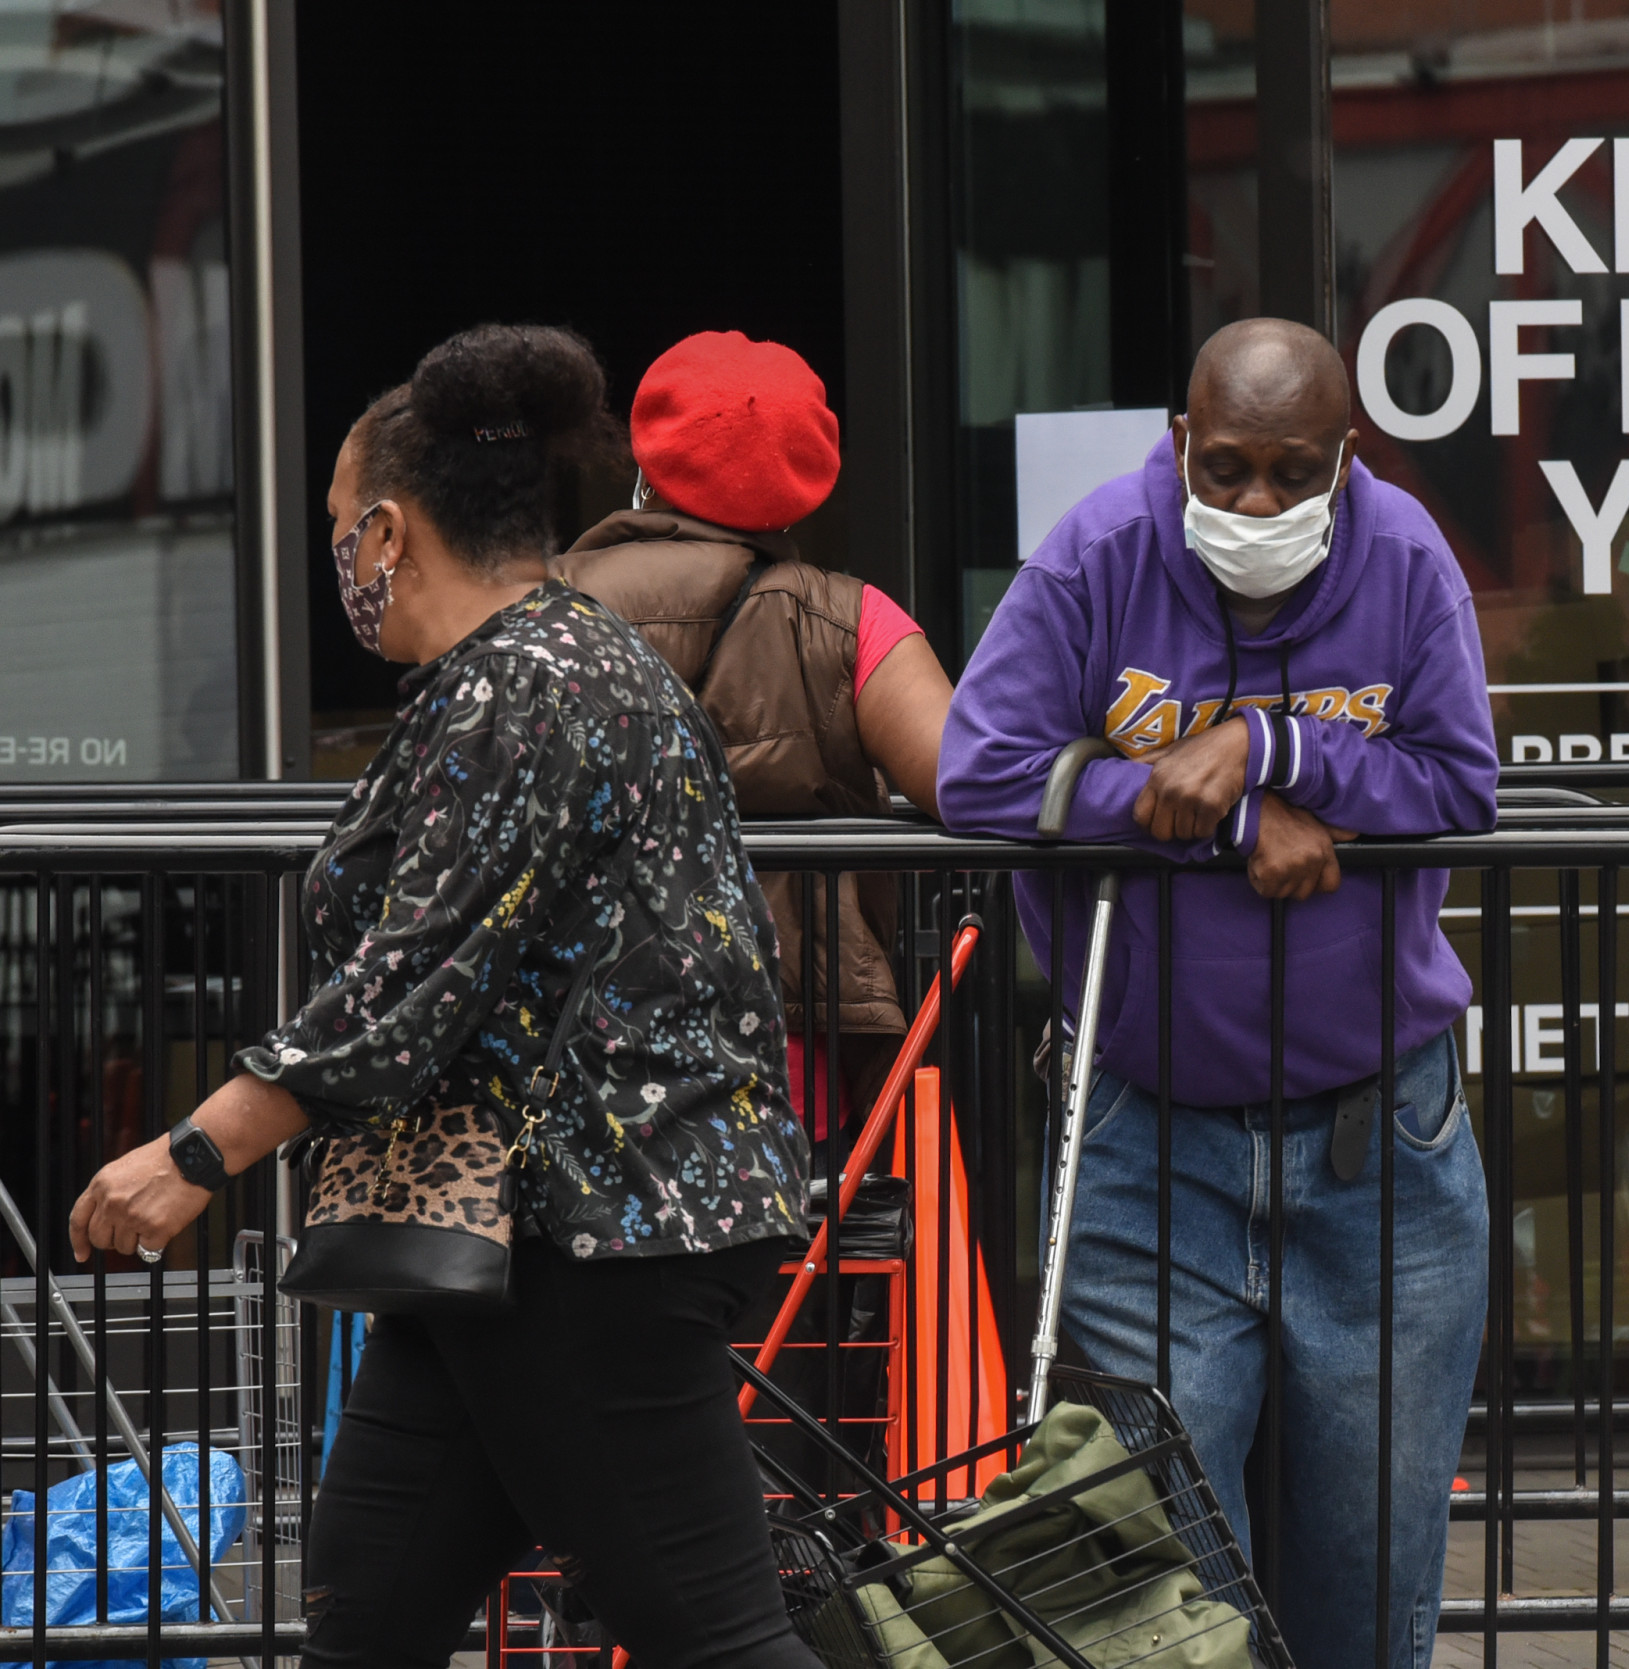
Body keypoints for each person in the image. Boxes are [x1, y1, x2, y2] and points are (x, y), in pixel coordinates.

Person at [66, 324, 821, 1669]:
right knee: (370, 1618)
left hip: (594, 1235)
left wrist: (193, 1155)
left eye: (344, 524)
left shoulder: (526, 686)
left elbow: (407, 983)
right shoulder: (550, 665)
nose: (341, 553)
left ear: (391, 531)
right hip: (507, 1233)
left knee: (716, 1642)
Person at [938, 317, 1499, 1669]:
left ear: (1345, 459)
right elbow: (979, 769)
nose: (1256, 501)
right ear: (1180, 442)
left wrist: (1270, 748)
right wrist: (1197, 804)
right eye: (1230, 466)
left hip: (1380, 1150)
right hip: (1152, 1136)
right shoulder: (1097, 551)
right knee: (1159, 1592)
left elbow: (1460, 782)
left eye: (1294, 473)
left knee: (1367, 1588)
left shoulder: (1407, 556)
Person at [555, 330, 953, 1157]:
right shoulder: (852, 619)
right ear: (805, 485)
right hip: (781, 1061)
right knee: (781, 1281)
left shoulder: (540, 606)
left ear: (648, 461)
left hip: (571, 1043)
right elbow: (968, 778)